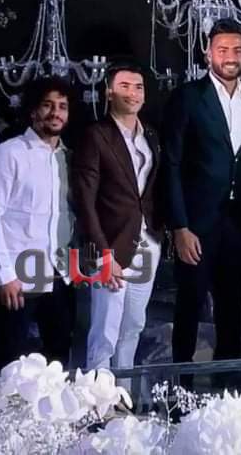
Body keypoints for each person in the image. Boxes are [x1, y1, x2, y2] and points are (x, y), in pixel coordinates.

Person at [163, 19, 241, 364]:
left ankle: (228, 383)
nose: (230, 56)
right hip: (196, 225)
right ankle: (180, 386)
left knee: (232, 308)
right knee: (189, 305)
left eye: (237, 49)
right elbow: (171, 164)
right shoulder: (188, 97)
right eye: (222, 49)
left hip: (238, 223)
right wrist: (180, 227)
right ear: (208, 53)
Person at [0, 77, 76, 370]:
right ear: (33, 111)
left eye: (62, 106)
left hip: (59, 273)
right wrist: (4, 274)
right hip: (18, 276)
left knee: (58, 359)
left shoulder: (68, 158)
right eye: (47, 105)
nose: (55, 113)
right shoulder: (9, 153)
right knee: (9, 361)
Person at [73, 63, 162, 371]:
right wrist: (103, 253)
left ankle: (123, 392)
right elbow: (85, 200)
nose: (132, 93)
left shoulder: (150, 135)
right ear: (109, 92)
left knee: (134, 324)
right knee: (105, 330)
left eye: (138, 87)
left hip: (147, 240)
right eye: (124, 86)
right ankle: (97, 394)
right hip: (110, 244)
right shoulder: (96, 135)